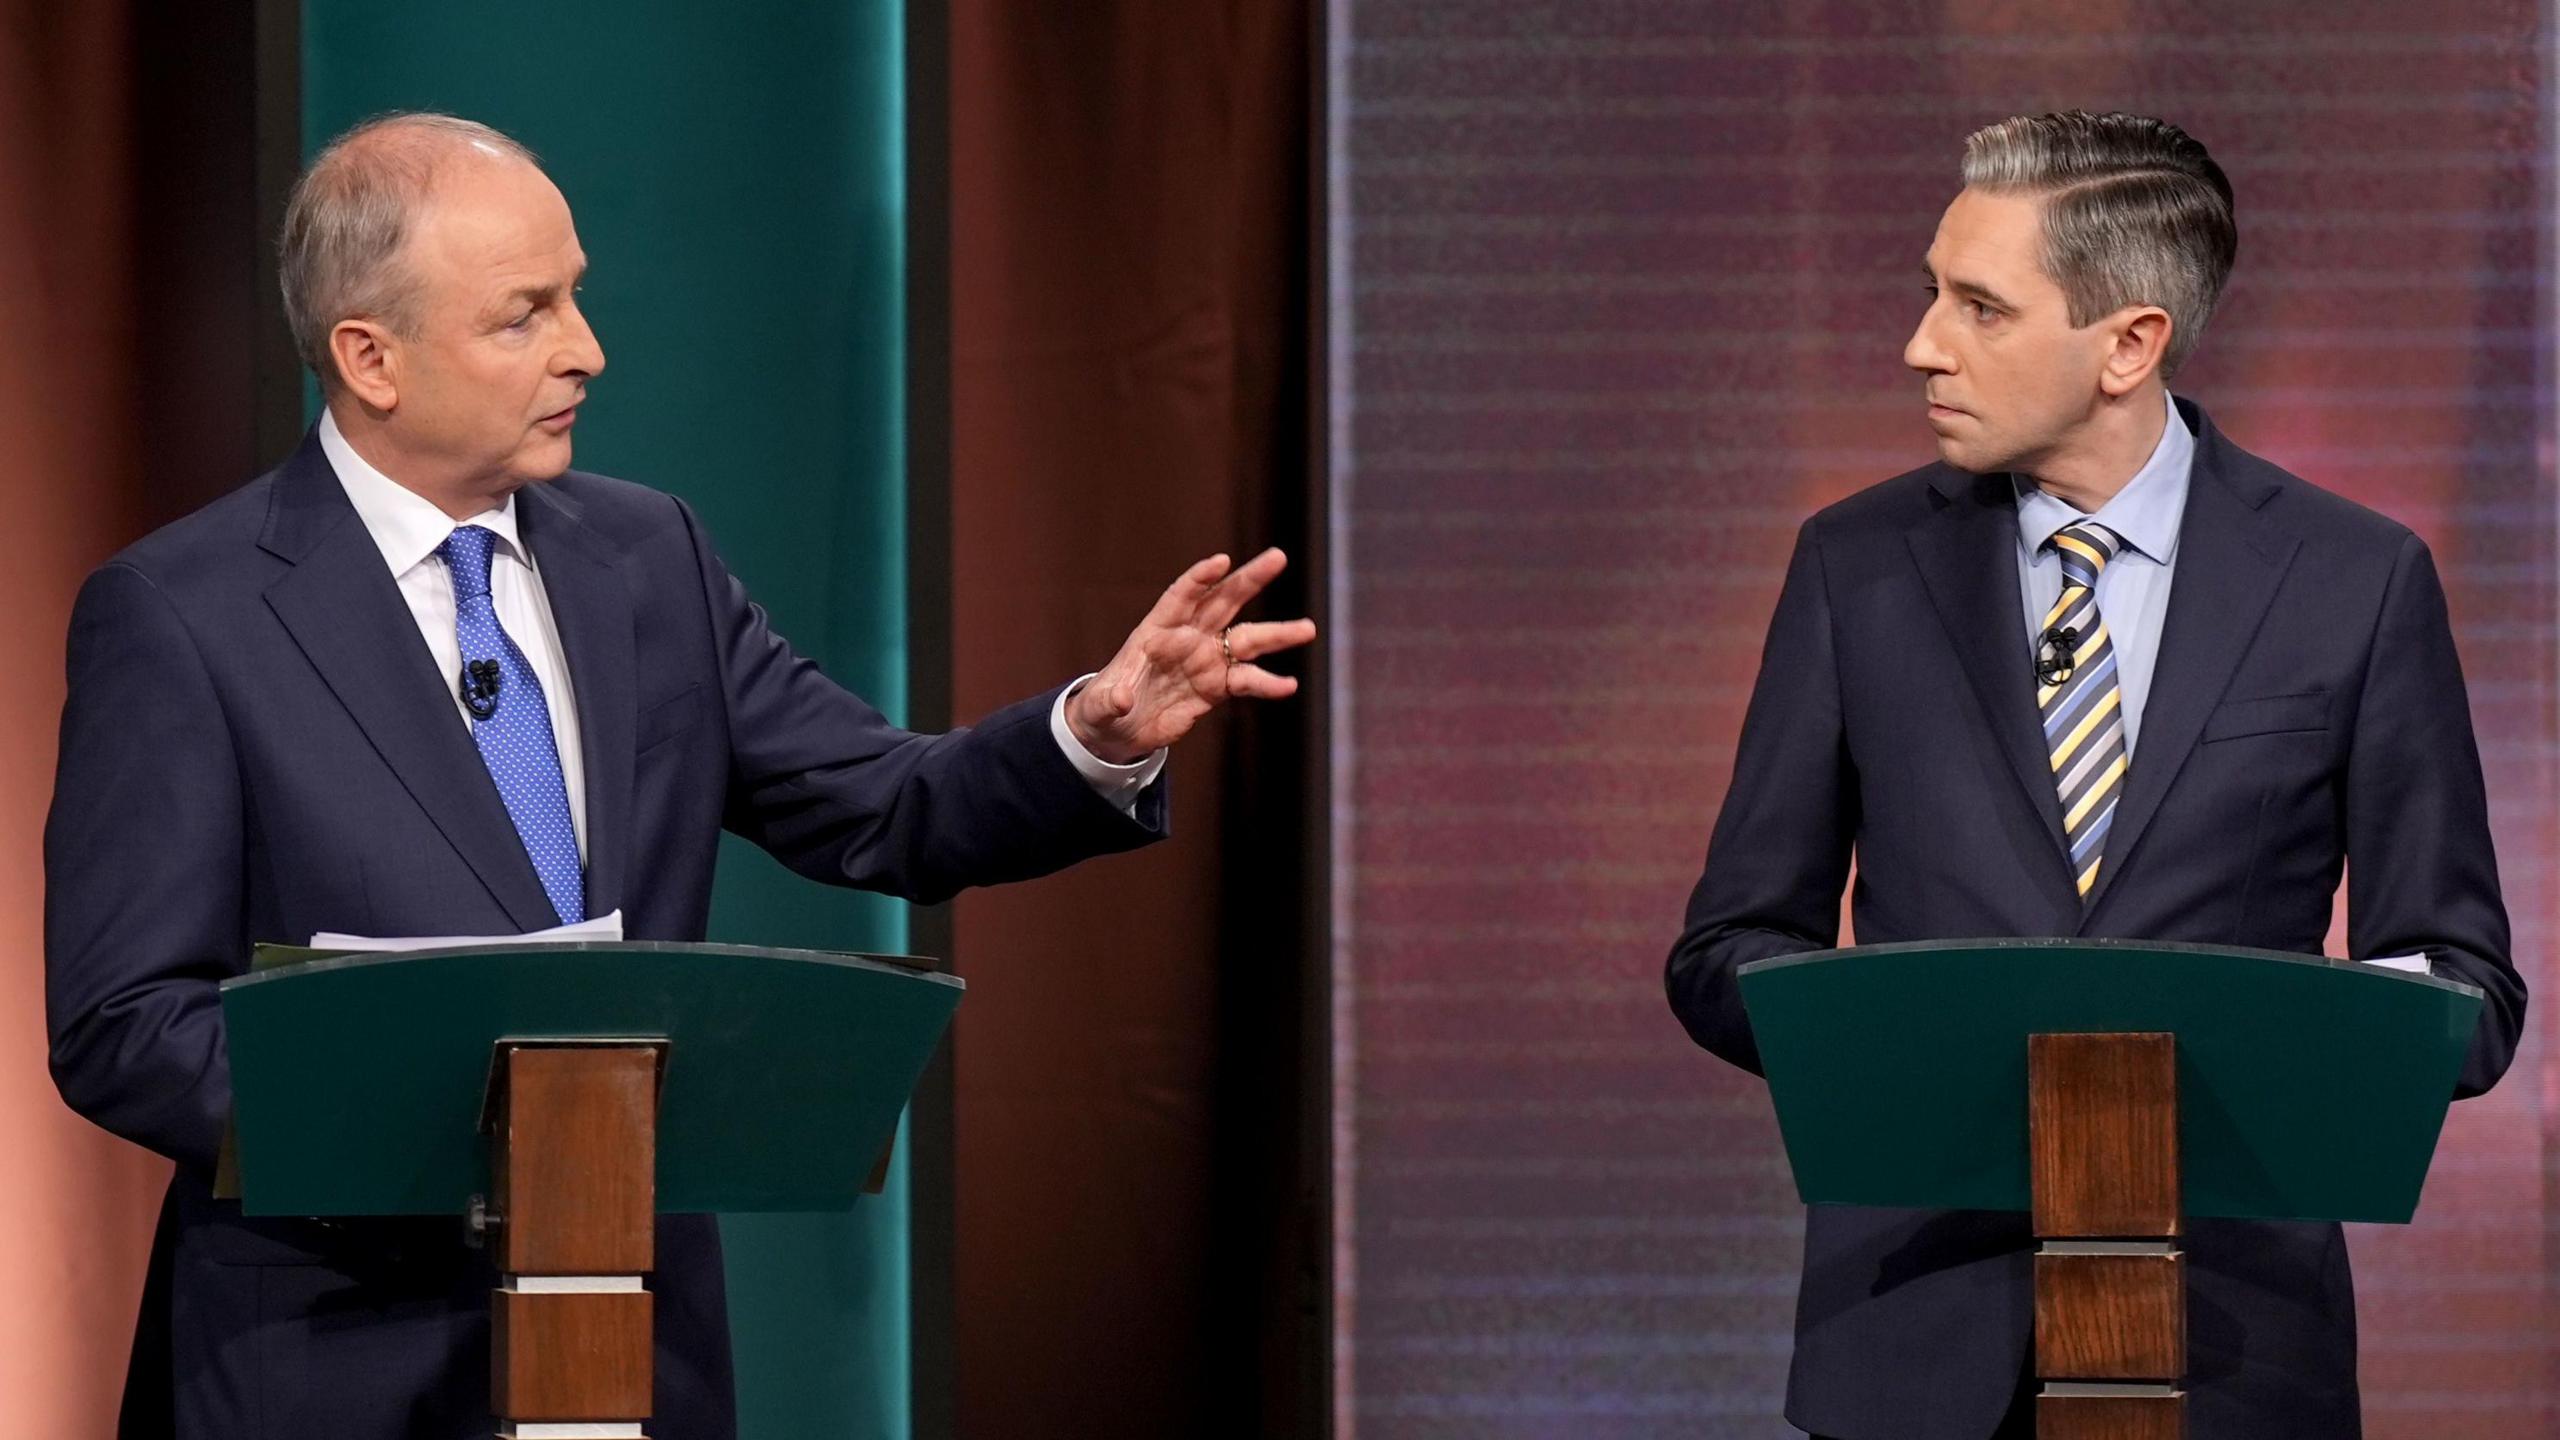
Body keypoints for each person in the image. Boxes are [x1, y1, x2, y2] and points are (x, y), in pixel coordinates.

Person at [44, 112, 1315, 1440]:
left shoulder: (648, 559)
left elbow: (885, 806)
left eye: (575, 295)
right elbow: (125, 1023)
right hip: (323, 1372)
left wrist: (1096, 733)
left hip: (636, 1359)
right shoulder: (185, 616)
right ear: (372, 359)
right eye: (524, 316)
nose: (586, 349)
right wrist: (462, 1126)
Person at [1664, 110, 2524, 1440]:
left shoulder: (2357, 582)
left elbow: (2466, 989)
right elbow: (1727, 948)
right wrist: (1908, 1041)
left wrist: (2276, 1054)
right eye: (1929, 293)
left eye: (1980, 308)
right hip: (1912, 1347)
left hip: (2237, 1355)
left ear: (2129, 343)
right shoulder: (1856, 567)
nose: (1922, 346)